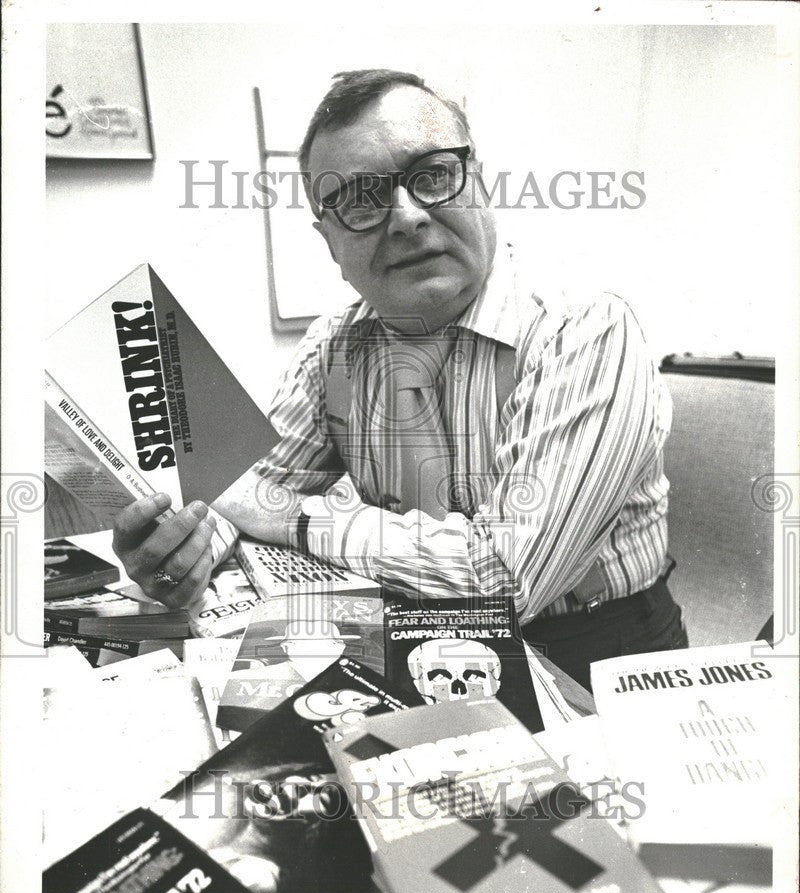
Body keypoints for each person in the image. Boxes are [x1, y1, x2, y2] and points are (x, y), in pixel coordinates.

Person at [112, 68, 687, 691]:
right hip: (414, 634)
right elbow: (250, 493)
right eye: (361, 199)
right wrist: (185, 547)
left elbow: (505, 579)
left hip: (597, 653)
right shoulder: (337, 343)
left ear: (478, 182)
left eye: (432, 175)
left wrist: (298, 519)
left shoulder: (588, 328)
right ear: (329, 242)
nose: (407, 217)